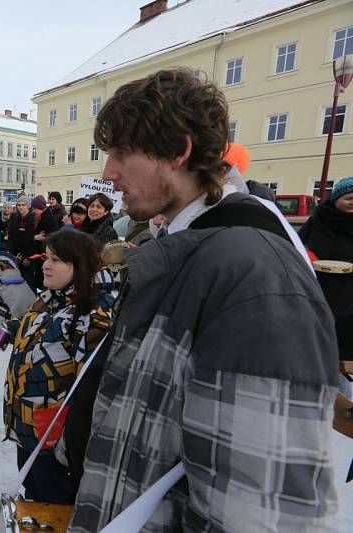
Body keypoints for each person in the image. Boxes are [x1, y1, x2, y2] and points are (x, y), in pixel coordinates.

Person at [66, 68, 338, 531]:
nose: (108, 174)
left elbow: (260, 511)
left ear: (178, 151)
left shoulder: (254, 273)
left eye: (121, 153)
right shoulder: (191, 248)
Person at [0, 230, 111, 504]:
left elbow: (92, 391)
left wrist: (66, 439)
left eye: (56, 260)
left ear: (79, 264)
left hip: (54, 440)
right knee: (33, 495)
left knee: (55, 504)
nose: (45, 264)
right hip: (25, 425)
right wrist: (10, 329)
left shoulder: (92, 315)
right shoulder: (49, 298)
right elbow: (37, 326)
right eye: (46, 257)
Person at [300, 176, 353, 395]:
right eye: (350, 198)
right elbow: (299, 246)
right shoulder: (319, 220)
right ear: (337, 198)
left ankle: (342, 409)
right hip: (318, 292)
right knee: (316, 349)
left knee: (341, 355)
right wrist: (309, 256)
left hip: (349, 299)